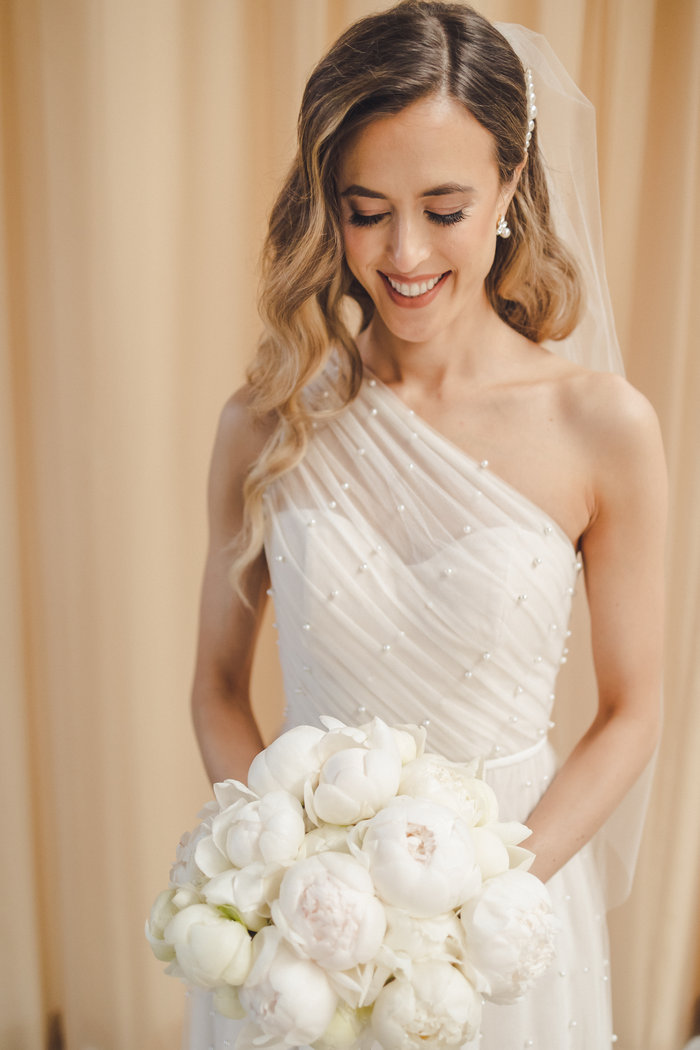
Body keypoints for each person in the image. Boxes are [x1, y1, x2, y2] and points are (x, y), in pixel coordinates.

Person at [187, 2, 665, 1047]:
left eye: (442, 208)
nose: (403, 253)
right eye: (365, 210)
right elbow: (218, 691)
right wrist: (278, 875)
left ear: (507, 189)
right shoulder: (266, 423)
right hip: (309, 937)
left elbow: (632, 710)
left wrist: (473, 910)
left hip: (502, 922)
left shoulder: (601, 426)